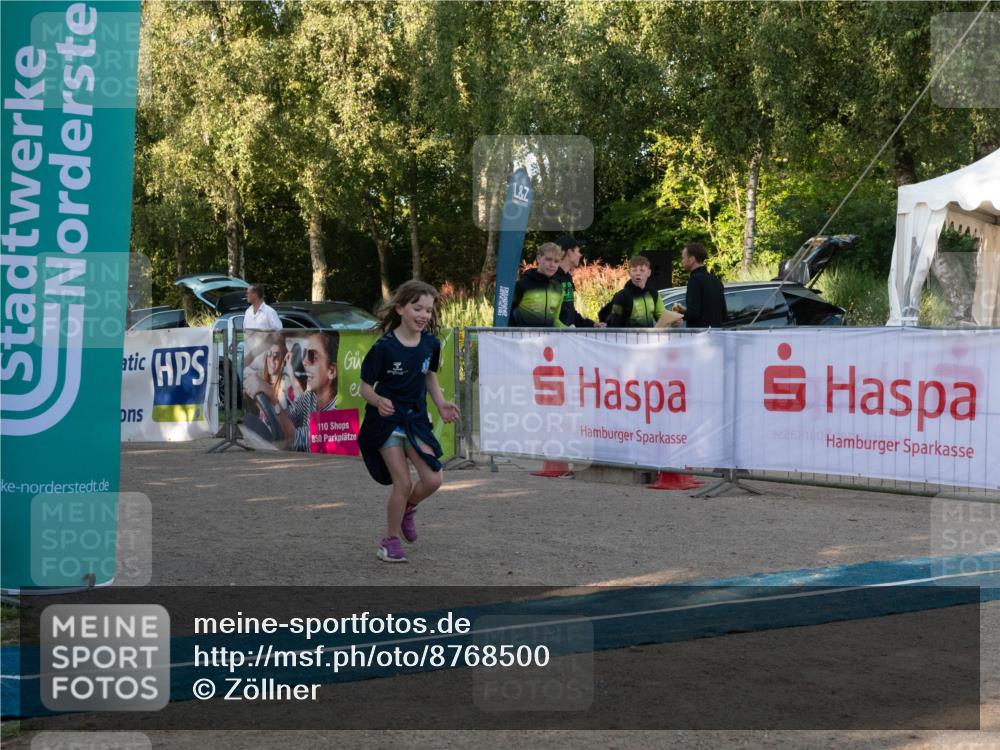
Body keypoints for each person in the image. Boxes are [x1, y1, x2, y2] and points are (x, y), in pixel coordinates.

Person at [357, 280, 460, 563]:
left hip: (416, 420)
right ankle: (389, 542)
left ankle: (408, 508)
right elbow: (365, 387)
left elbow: (429, 376)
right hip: (387, 422)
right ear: (400, 308)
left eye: (428, 310)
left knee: (433, 478)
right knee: (401, 483)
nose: (424, 315)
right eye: (418, 308)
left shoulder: (431, 344)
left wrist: (440, 404)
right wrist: (378, 401)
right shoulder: (384, 347)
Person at [509, 242, 565, 327]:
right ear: (539, 258)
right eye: (548, 259)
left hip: (547, 339)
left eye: (556, 261)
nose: (552, 265)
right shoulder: (522, 284)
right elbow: (507, 315)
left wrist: (572, 333)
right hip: (522, 339)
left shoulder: (559, 288)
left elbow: (554, 321)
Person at [605, 255, 666, 327]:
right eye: (634, 270)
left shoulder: (654, 293)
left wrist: (673, 322)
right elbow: (614, 322)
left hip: (648, 337)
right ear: (629, 273)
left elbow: (662, 317)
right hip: (627, 337)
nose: (638, 273)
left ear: (649, 273)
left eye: (642, 270)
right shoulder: (621, 295)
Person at [676, 242, 727, 327]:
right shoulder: (716, 280)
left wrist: (675, 315)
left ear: (692, 259)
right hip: (716, 335)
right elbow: (723, 313)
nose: (682, 261)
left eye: (683, 258)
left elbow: (694, 314)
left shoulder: (694, 280)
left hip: (700, 336)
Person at [553, 234, 599, 328]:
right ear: (570, 252)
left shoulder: (567, 278)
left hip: (566, 336)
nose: (580, 255)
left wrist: (592, 325)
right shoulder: (551, 278)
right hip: (554, 339)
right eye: (578, 251)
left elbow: (570, 312)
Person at [261, 335, 302, 410]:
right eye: (269, 354)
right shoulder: (262, 382)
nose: (272, 359)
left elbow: (302, 403)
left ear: (283, 360)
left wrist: (290, 371)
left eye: (276, 355)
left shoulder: (286, 383)